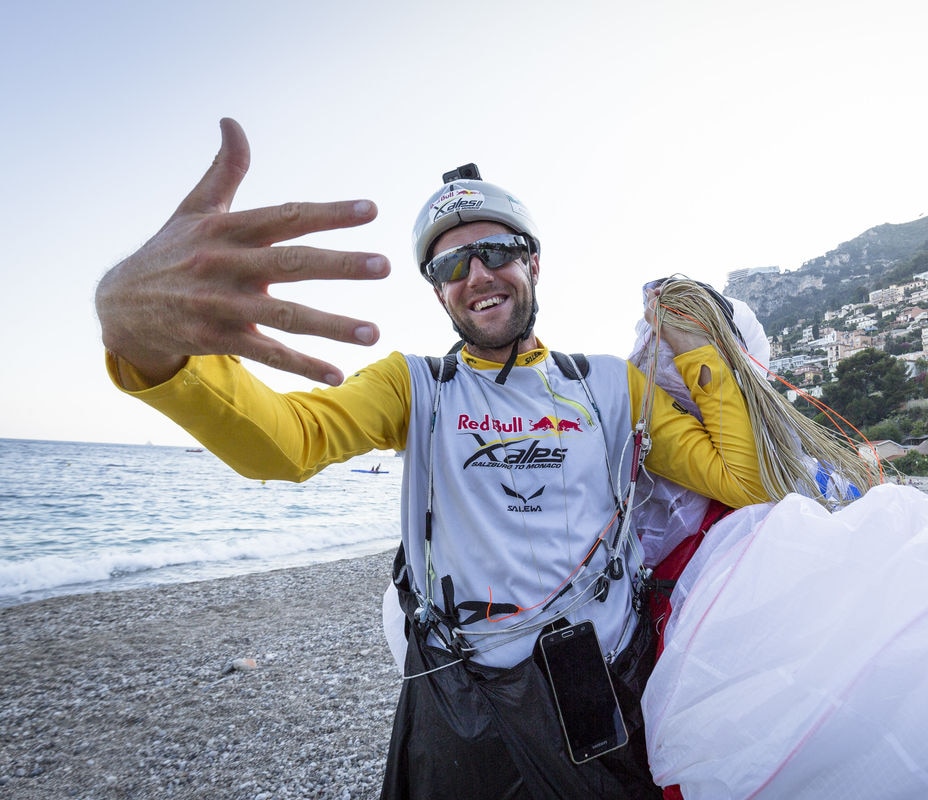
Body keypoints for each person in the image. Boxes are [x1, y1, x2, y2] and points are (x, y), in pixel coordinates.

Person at [94, 119, 771, 799]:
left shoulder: (608, 385)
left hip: (597, 678)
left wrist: (695, 347)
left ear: (533, 263)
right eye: (450, 265)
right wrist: (150, 348)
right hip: (462, 689)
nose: (477, 275)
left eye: (496, 251)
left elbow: (741, 480)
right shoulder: (413, 387)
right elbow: (287, 442)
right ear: (437, 289)